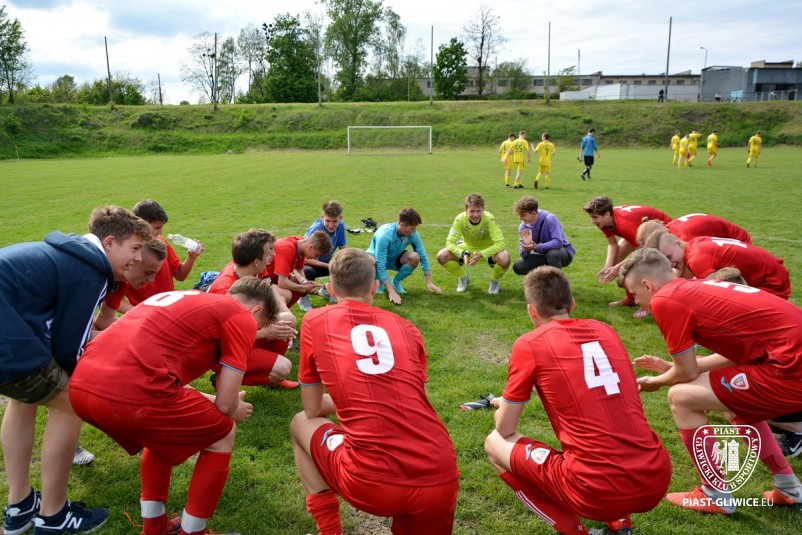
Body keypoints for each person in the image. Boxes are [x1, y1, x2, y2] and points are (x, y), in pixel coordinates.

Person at [70, 277, 278, 535]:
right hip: (130, 388)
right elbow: (226, 404)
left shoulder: (190, 298)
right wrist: (235, 407)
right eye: (260, 325)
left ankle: (154, 527)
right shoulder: (241, 316)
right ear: (256, 310)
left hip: (82, 383)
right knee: (224, 433)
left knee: (161, 432)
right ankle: (193, 532)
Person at [484, 266, 671, 535]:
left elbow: (505, 428)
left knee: (494, 442)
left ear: (532, 311)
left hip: (595, 490)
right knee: (608, 422)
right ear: (572, 303)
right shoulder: (605, 330)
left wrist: (503, 407)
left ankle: (575, 531)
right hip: (656, 477)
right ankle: (620, 523)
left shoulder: (530, 344)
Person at [0, 206, 150, 535]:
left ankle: (20, 506)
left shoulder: (73, 256)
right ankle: (54, 517)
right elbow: (70, 349)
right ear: (109, 243)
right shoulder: (91, 269)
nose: (138, 259)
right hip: (7, 337)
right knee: (70, 402)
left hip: (10, 332)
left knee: (24, 398)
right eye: (135, 248)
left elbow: (60, 335)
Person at [618, 248, 802, 514]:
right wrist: (671, 369)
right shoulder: (698, 286)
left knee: (680, 397)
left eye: (635, 293)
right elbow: (731, 356)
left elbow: (686, 374)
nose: (636, 301)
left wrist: (655, 382)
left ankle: (714, 494)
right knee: (726, 398)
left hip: (790, 370)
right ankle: (789, 487)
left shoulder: (665, 300)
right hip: (787, 361)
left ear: (647, 285)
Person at [290, 248, 459, 535]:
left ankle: (329, 531)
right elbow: (414, 396)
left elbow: (312, 408)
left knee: (300, 423)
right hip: (439, 473)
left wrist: (354, 402)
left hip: (371, 480)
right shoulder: (407, 328)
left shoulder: (315, 321)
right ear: (375, 286)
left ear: (331, 289)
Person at [208, 228, 298, 388]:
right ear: (256, 261)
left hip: (244, 330)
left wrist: (284, 312)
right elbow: (223, 338)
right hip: (223, 349)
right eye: (269, 252)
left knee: (286, 320)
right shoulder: (225, 290)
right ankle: (223, 378)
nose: (273, 255)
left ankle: (269, 367)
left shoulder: (253, 268)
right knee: (283, 368)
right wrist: (265, 333)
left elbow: (269, 288)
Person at [583, 196, 672, 318]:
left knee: (639, 267)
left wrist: (617, 267)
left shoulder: (624, 224)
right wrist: (608, 266)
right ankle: (631, 299)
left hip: (662, 229)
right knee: (616, 265)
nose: (592, 221)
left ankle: (647, 305)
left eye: (595, 217)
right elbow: (612, 244)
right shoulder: (606, 221)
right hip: (639, 231)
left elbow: (642, 252)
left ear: (607, 214)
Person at [643, 231, 791, 299]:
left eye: (669, 257)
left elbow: (713, 295)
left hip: (772, 283)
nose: (671, 264)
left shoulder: (696, 258)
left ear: (678, 243)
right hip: (774, 273)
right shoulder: (695, 243)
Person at [126, 199, 204, 310]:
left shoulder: (162, 244)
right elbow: (114, 301)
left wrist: (191, 257)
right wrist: (138, 312)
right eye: (157, 228)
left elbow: (180, 275)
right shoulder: (127, 254)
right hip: (145, 312)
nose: (161, 231)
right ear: (140, 225)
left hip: (169, 308)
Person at [366, 208, 442, 305]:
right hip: (376, 260)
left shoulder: (413, 234)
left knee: (415, 257)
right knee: (372, 260)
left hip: (393, 260)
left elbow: (422, 254)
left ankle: (396, 282)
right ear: (402, 225)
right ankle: (378, 281)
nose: (414, 231)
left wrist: (429, 281)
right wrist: (391, 291)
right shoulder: (385, 235)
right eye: (412, 228)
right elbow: (380, 262)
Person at [437, 193, 510, 295]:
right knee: (442, 256)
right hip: (468, 248)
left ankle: (494, 281)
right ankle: (463, 278)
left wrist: (482, 254)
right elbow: (449, 243)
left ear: (483, 209)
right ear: (466, 210)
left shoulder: (489, 218)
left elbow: (501, 243)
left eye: (478, 211)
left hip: (488, 249)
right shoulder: (460, 219)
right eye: (472, 211)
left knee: (505, 258)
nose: (475, 215)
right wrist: (463, 253)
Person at [93, 237, 168, 331]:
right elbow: (78, 335)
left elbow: (104, 320)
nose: (152, 279)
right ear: (134, 260)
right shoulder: (93, 276)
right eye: (148, 272)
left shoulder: (121, 282)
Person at [262, 231, 331, 309]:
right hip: (264, 279)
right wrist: (305, 288)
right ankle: (279, 311)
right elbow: (282, 283)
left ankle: (282, 310)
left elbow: (299, 268)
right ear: (310, 247)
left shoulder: (301, 244)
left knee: (299, 284)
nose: (316, 258)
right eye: (316, 255)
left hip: (276, 276)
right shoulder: (287, 248)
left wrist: (305, 283)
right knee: (287, 294)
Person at [299, 200, 346, 312]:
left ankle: (327, 289)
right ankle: (302, 297)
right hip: (310, 262)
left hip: (326, 261)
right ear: (322, 217)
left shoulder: (341, 227)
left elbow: (343, 250)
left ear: (340, 218)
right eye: (327, 221)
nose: (331, 225)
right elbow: (304, 259)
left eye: (335, 221)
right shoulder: (316, 229)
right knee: (307, 271)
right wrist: (328, 265)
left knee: (344, 266)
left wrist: (344, 262)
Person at [512, 196, 575, 275]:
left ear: (533, 213)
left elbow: (558, 242)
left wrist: (537, 247)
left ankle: (558, 280)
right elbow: (523, 255)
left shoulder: (550, 218)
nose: (520, 218)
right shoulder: (523, 226)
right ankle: (542, 278)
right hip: (543, 254)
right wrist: (526, 246)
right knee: (519, 266)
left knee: (552, 254)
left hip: (562, 253)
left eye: (523, 215)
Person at [635, 213, 751, 247]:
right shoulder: (670, 228)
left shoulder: (685, 236)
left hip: (739, 241)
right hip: (724, 239)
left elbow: (686, 270)